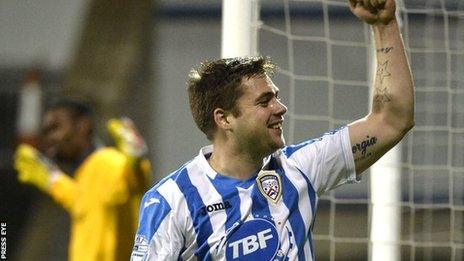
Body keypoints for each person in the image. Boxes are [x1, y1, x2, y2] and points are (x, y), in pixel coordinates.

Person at [131, 0, 414, 259]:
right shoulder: (171, 200)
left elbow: (392, 120)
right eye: (265, 101)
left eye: (276, 96)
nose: (281, 108)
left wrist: (384, 25)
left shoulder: (300, 167)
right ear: (224, 119)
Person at [14, 98, 150, 261]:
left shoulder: (106, 162)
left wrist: (135, 161)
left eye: (55, 128)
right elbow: (87, 203)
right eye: (46, 132)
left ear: (82, 125)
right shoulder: (87, 173)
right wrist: (53, 180)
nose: (50, 138)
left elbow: (131, 180)